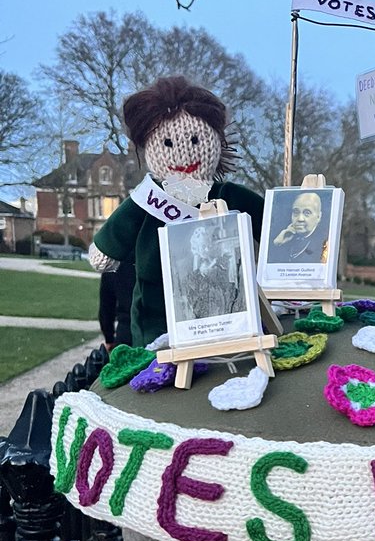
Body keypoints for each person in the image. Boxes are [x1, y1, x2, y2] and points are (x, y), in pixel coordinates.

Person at [88, 76, 264, 347]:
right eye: (167, 144)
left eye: (196, 140)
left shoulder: (227, 196)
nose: (184, 154)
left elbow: (271, 227)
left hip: (226, 312)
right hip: (155, 317)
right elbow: (105, 252)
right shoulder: (147, 200)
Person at [176, 221, 244, 321]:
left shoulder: (216, 262)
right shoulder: (197, 273)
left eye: (208, 245)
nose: (207, 249)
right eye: (203, 247)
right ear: (196, 249)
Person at [270, 191, 328, 263]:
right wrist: (277, 244)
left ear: (318, 217)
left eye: (307, 213)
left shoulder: (325, 244)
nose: (300, 219)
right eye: (296, 212)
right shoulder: (285, 239)